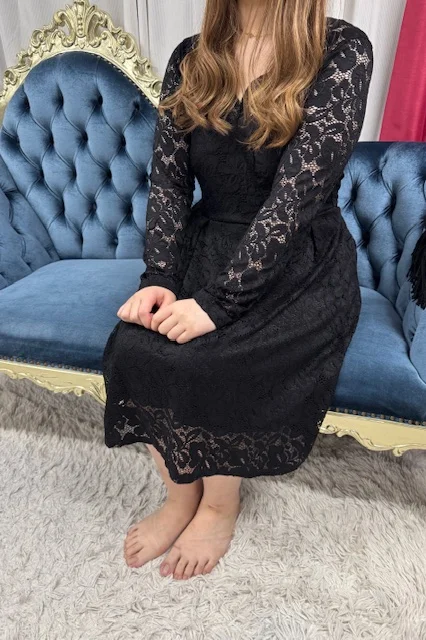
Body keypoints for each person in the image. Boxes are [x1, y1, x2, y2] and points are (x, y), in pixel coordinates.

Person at [102, 0, 374, 580]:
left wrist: (220, 304)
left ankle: (220, 505)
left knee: (213, 361)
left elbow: (295, 200)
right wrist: (159, 279)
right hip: (210, 241)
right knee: (131, 347)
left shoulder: (343, 50)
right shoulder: (191, 57)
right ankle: (181, 495)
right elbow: (169, 182)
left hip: (299, 257)